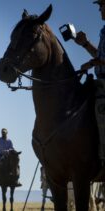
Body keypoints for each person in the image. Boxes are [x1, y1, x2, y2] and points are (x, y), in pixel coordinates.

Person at [74, 0, 105, 161]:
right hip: (100, 82)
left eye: (102, 5)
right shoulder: (103, 31)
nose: (100, 9)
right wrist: (85, 44)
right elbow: (99, 56)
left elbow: (100, 60)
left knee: (101, 109)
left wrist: (91, 64)